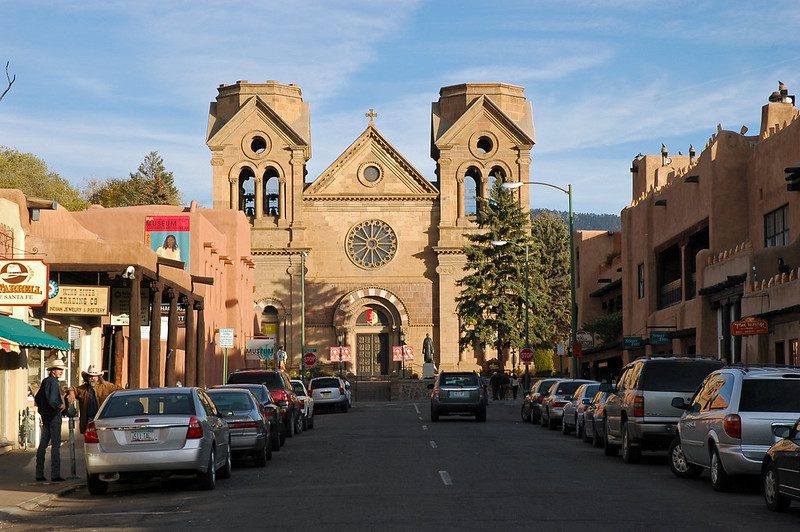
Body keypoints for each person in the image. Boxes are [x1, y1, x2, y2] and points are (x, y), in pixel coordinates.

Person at [34, 359, 66, 482]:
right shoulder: (53, 383)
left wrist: (43, 410)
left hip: (46, 416)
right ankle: (55, 474)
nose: (61, 371)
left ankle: (39, 473)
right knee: (55, 445)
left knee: (43, 444)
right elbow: (52, 400)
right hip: (53, 416)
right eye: (59, 369)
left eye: (61, 369)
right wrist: (60, 406)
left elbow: (37, 397)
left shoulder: (45, 381)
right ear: (52, 371)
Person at [68, 365, 122, 434]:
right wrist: (71, 392)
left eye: (94, 376)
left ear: (98, 377)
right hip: (89, 419)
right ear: (87, 377)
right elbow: (72, 388)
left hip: (103, 419)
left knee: (103, 438)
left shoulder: (107, 386)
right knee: (90, 440)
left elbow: (120, 390)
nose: (92, 378)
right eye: (90, 376)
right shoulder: (83, 389)